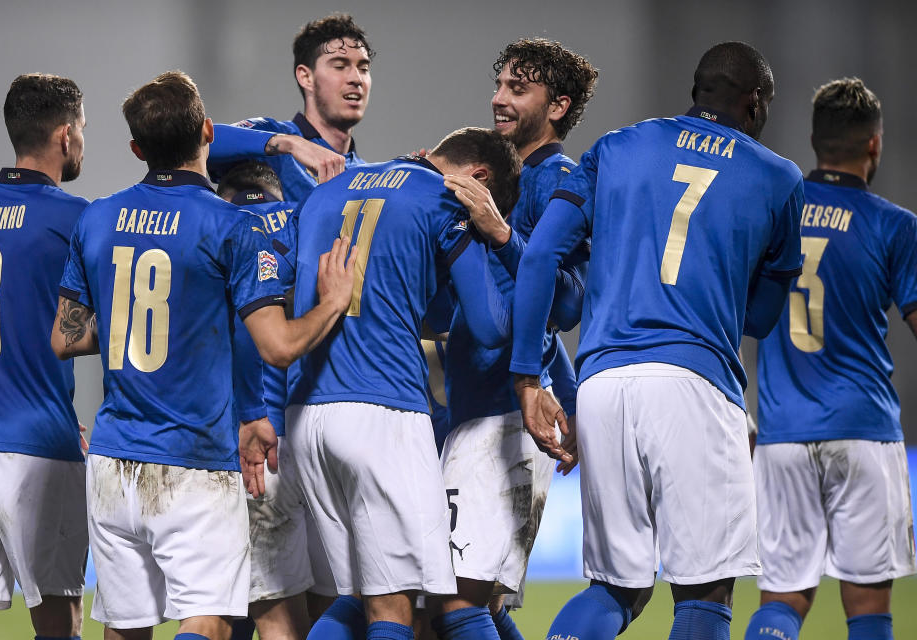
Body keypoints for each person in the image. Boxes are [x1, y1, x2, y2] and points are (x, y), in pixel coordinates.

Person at [509, 42, 805, 640]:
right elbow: (764, 316)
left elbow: (539, 255)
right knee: (704, 592)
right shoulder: (779, 177)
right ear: (755, 102)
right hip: (695, 382)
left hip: (603, 385)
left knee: (617, 587)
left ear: (697, 91)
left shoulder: (616, 147)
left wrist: (526, 378)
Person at [50, 70, 355, 640]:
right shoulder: (230, 226)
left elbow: (65, 338)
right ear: (209, 133)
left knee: (125, 628)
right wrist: (332, 301)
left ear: (138, 149)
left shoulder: (96, 218)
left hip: (114, 463)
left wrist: (131, 324)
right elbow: (278, 346)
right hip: (191, 457)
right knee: (210, 623)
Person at [284, 127, 521, 640]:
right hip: (382, 412)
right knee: (399, 606)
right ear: (478, 179)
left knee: (352, 598)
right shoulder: (444, 201)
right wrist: (497, 242)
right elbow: (489, 327)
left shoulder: (325, 192)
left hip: (306, 413)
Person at [745, 78, 917, 640]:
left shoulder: (775, 214)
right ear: (874, 144)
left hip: (782, 434)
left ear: (816, 140)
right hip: (863, 429)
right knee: (868, 605)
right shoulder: (893, 225)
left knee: (784, 596)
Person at [436, 37, 596, 640]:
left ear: (557, 106)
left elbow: (562, 302)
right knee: (479, 604)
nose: (499, 99)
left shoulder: (563, 182)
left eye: (517, 89)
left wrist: (502, 234)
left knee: (450, 604)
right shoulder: (503, 174)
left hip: (506, 418)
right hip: (477, 409)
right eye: (499, 84)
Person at [0, 73, 89, 640]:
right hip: (36, 448)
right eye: (83, 128)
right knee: (59, 620)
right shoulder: (75, 218)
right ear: (64, 135)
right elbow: (79, 328)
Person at [217, 162, 318, 640]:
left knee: (237, 608)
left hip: (239, 441)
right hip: (300, 441)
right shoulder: (305, 221)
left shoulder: (219, 230)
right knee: (299, 607)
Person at [208, 13, 373, 197]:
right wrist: (291, 144)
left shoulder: (370, 177)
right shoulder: (273, 140)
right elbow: (198, 144)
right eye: (340, 66)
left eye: (363, 69)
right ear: (306, 77)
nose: (356, 79)